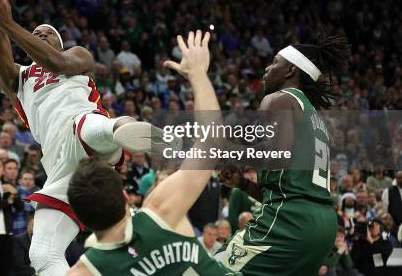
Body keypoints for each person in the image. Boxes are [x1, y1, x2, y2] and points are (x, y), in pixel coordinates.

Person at [0, 0, 155, 276]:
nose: (39, 36)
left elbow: (52, 59)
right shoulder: (19, 78)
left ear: (58, 43)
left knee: (106, 127)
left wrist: (13, 25)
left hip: (82, 127)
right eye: (35, 33)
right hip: (58, 163)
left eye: (46, 35)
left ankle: (161, 141)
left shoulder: (76, 56)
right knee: (41, 255)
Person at [66, 30, 240, 275]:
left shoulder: (84, 271)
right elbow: (210, 144)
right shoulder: (160, 209)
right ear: (126, 198)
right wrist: (198, 74)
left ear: (80, 220)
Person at [214, 31, 350, 275]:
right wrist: (243, 184)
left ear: (290, 70)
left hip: (291, 222)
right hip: (323, 224)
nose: (267, 67)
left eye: (275, 61)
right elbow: (291, 189)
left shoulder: (279, 99)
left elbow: (277, 157)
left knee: (210, 269)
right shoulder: (317, 118)